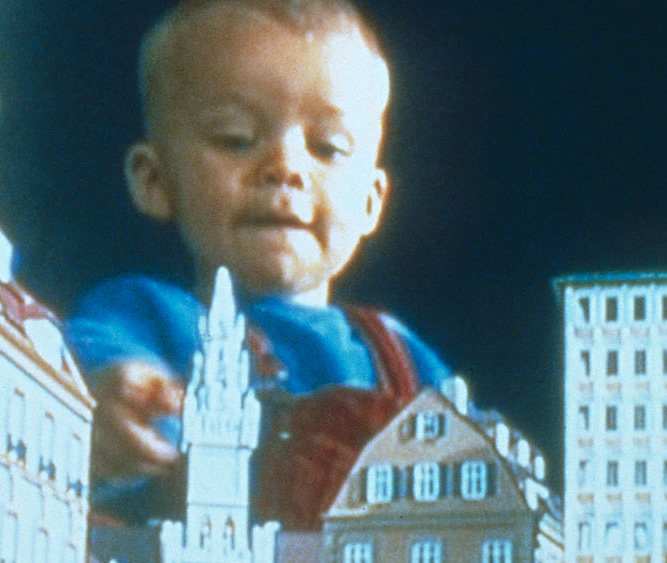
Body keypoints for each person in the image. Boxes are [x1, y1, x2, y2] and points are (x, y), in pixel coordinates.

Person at [68, 0, 453, 531]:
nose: (286, 167)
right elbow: (82, 375)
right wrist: (112, 405)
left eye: (328, 147)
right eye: (236, 139)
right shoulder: (143, 317)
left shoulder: (404, 358)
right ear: (154, 179)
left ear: (371, 201)